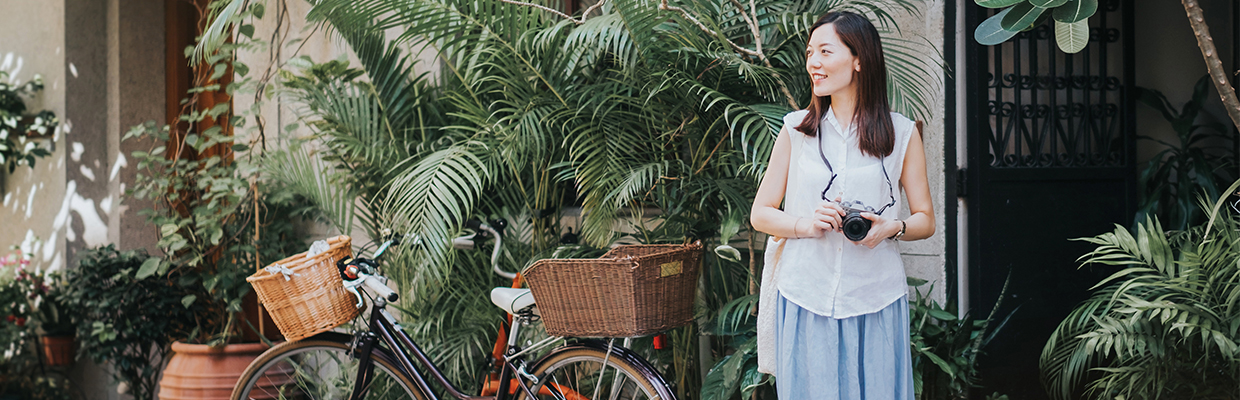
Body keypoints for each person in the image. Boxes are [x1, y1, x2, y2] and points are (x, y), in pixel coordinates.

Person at [749, 10, 934, 400]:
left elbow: (925, 220)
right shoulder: (796, 130)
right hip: (806, 297)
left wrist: (892, 227)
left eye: (825, 51)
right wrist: (806, 223)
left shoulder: (901, 134)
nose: (813, 63)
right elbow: (761, 213)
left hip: (876, 300)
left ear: (859, 59)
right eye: (810, 52)